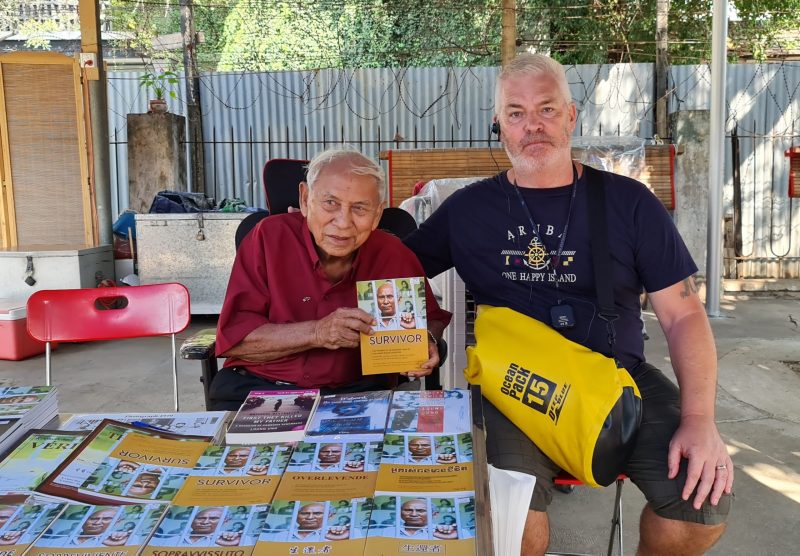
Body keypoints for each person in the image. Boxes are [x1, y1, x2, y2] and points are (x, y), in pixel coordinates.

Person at [404, 53, 733, 555]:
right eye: (515, 113)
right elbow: (396, 273)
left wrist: (699, 420)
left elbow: (683, 313)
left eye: (546, 109)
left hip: (618, 375)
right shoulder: (468, 210)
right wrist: (423, 326)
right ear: (499, 124)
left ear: (572, 115)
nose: (531, 125)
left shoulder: (629, 202)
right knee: (511, 524)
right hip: (515, 386)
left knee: (700, 508)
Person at [212, 148, 450, 410]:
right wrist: (318, 332)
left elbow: (431, 319)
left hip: (358, 392)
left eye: (360, 208)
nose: (343, 222)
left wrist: (426, 339)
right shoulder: (268, 239)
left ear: (377, 215)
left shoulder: (393, 254)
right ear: (305, 199)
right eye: (330, 203)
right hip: (262, 388)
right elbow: (236, 342)